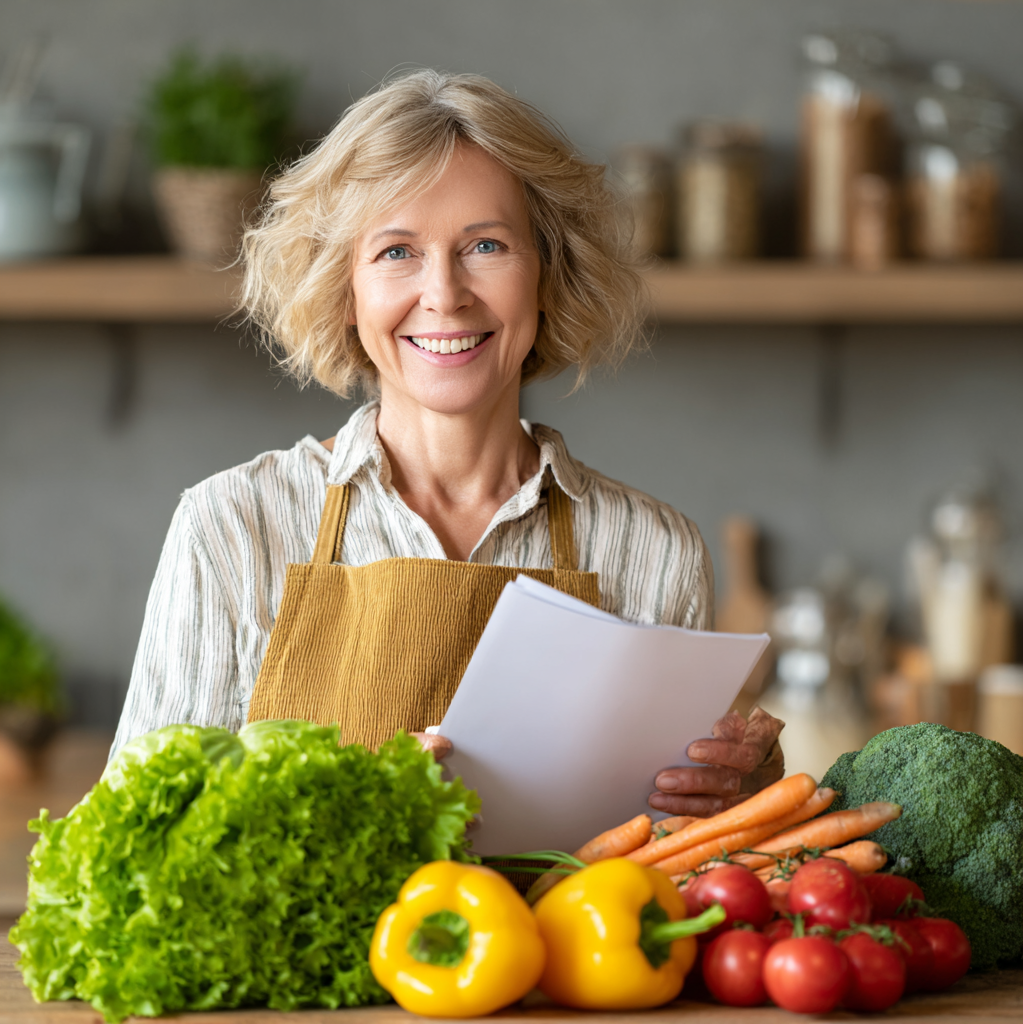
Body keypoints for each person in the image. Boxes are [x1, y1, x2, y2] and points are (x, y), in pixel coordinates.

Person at [112, 70, 783, 817]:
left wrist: (735, 804)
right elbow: (138, 833)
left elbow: (671, 876)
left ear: (548, 274)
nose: (445, 293)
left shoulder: (656, 551)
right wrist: (353, 807)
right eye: (396, 252)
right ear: (345, 288)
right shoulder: (232, 527)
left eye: (486, 245)